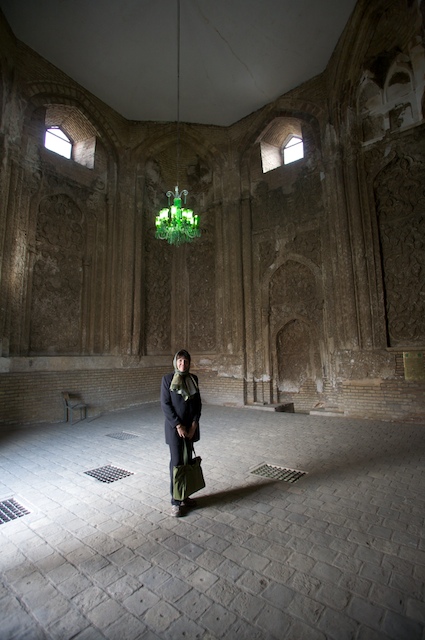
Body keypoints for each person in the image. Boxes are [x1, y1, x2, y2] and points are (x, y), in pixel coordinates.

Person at [160, 349, 202, 517]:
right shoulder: (167, 380)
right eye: (179, 361)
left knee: (188, 462)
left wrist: (193, 425)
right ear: (175, 362)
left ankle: (185, 495)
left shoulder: (193, 379)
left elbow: (198, 404)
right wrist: (178, 425)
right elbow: (165, 404)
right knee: (177, 462)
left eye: (185, 361)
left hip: (190, 429)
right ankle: (175, 501)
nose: (182, 364)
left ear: (189, 363)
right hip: (174, 429)